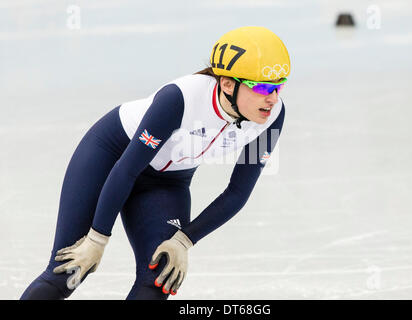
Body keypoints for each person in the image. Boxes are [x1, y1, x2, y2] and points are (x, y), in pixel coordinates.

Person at [20, 26, 290, 300]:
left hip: (167, 182)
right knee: (68, 272)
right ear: (227, 83)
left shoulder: (272, 117)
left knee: (159, 278)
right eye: (263, 86)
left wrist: (184, 241)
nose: (273, 97)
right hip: (112, 155)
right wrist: (97, 238)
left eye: (280, 85)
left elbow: (237, 193)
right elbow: (127, 169)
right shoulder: (179, 99)